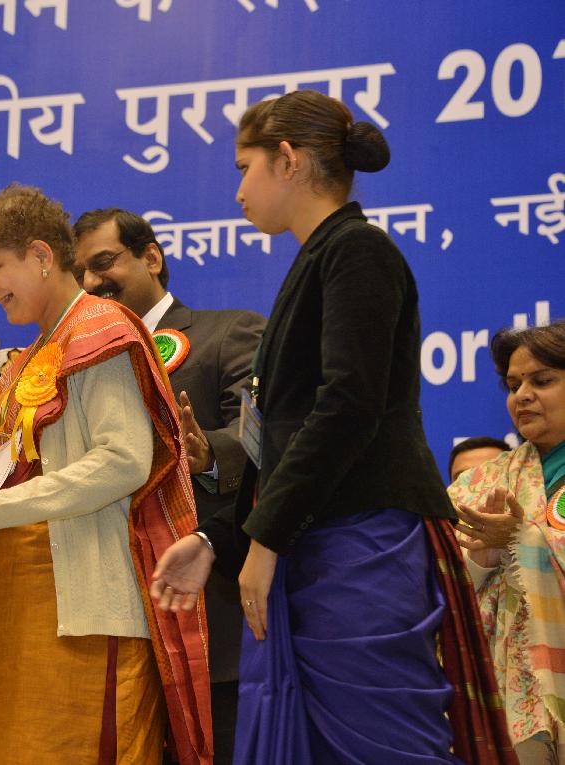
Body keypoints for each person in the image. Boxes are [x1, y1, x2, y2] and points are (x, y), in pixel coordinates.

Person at [150, 89, 515, 764]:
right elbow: (279, 438)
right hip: (315, 536)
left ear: (288, 160)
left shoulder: (357, 251)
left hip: (359, 538)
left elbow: (347, 408)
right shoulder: (319, 257)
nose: (238, 191)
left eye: (245, 168)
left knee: (381, 745)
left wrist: (267, 538)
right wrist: (218, 538)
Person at [0, 184, 211, 765]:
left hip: (85, 609)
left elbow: (123, 461)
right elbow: (19, 469)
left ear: (40, 255)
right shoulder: (39, 349)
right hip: (20, 600)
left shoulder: (99, 329)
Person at [73, 208, 264, 765]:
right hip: (115, 629)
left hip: (207, 611)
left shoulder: (227, 332)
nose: (91, 282)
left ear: (151, 257)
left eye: (103, 263)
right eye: (80, 271)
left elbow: (266, 434)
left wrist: (208, 454)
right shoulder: (76, 365)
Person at [449, 321, 565, 764]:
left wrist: (522, 538)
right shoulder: (481, 482)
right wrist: (482, 558)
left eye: (542, 381)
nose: (522, 396)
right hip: (508, 697)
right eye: (514, 386)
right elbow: (433, 583)